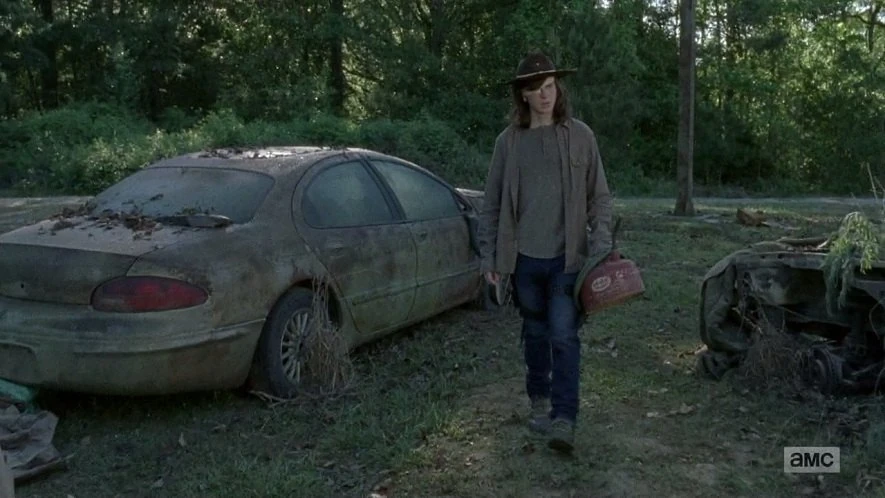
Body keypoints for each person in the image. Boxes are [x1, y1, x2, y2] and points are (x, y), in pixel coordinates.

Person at [478, 51, 613, 453]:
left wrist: (601, 245)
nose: (545, 95)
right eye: (536, 88)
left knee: (564, 336)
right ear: (522, 94)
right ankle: (539, 397)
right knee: (536, 333)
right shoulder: (508, 143)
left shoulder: (580, 136)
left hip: (568, 260)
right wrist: (489, 258)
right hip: (523, 261)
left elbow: (599, 197)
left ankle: (564, 418)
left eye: (550, 86)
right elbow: (491, 205)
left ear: (559, 88)